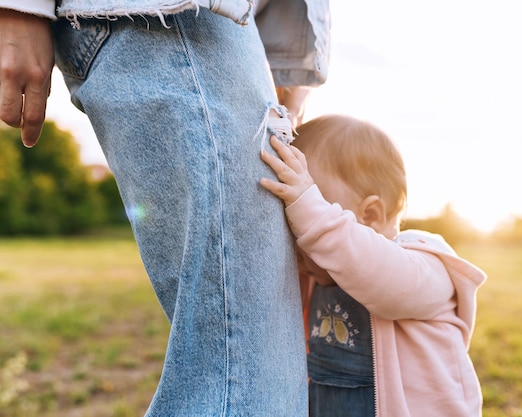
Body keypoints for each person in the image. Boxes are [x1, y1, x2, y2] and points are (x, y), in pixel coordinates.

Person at [0, 1, 330, 415]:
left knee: (252, 369)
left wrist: (282, 73)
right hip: (176, 23)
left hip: (225, 31)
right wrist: (19, 7)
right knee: (242, 379)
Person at [260, 114, 488, 417]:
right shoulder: (320, 276)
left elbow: (375, 272)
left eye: (315, 209)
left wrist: (309, 210)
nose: (303, 234)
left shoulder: (424, 264)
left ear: (369, 216)